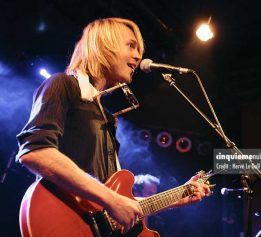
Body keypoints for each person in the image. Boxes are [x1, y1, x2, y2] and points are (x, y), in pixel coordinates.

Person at [16, 17, 210, 234]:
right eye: (131, 45)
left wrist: (178, 196)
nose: (138, 56)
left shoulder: (107, 118)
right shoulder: (63, 85)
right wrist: (112, 200)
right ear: (104, 45)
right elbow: (35, 152)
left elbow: (114, 201)